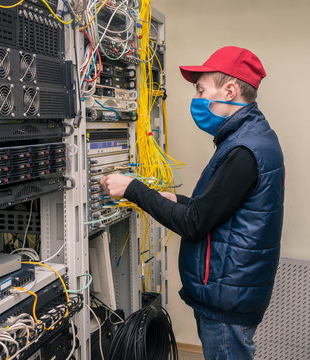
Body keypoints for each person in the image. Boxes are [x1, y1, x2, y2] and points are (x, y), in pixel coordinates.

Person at [100, 46, 284, 360]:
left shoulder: (244, 150)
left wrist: (132, 188)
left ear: (229, 90)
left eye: (201, 90)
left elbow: (194, 224)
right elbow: (225, 210)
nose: (196, 99)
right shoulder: (251, 138)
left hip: (227, 300)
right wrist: (179, 200)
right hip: (230, 291)